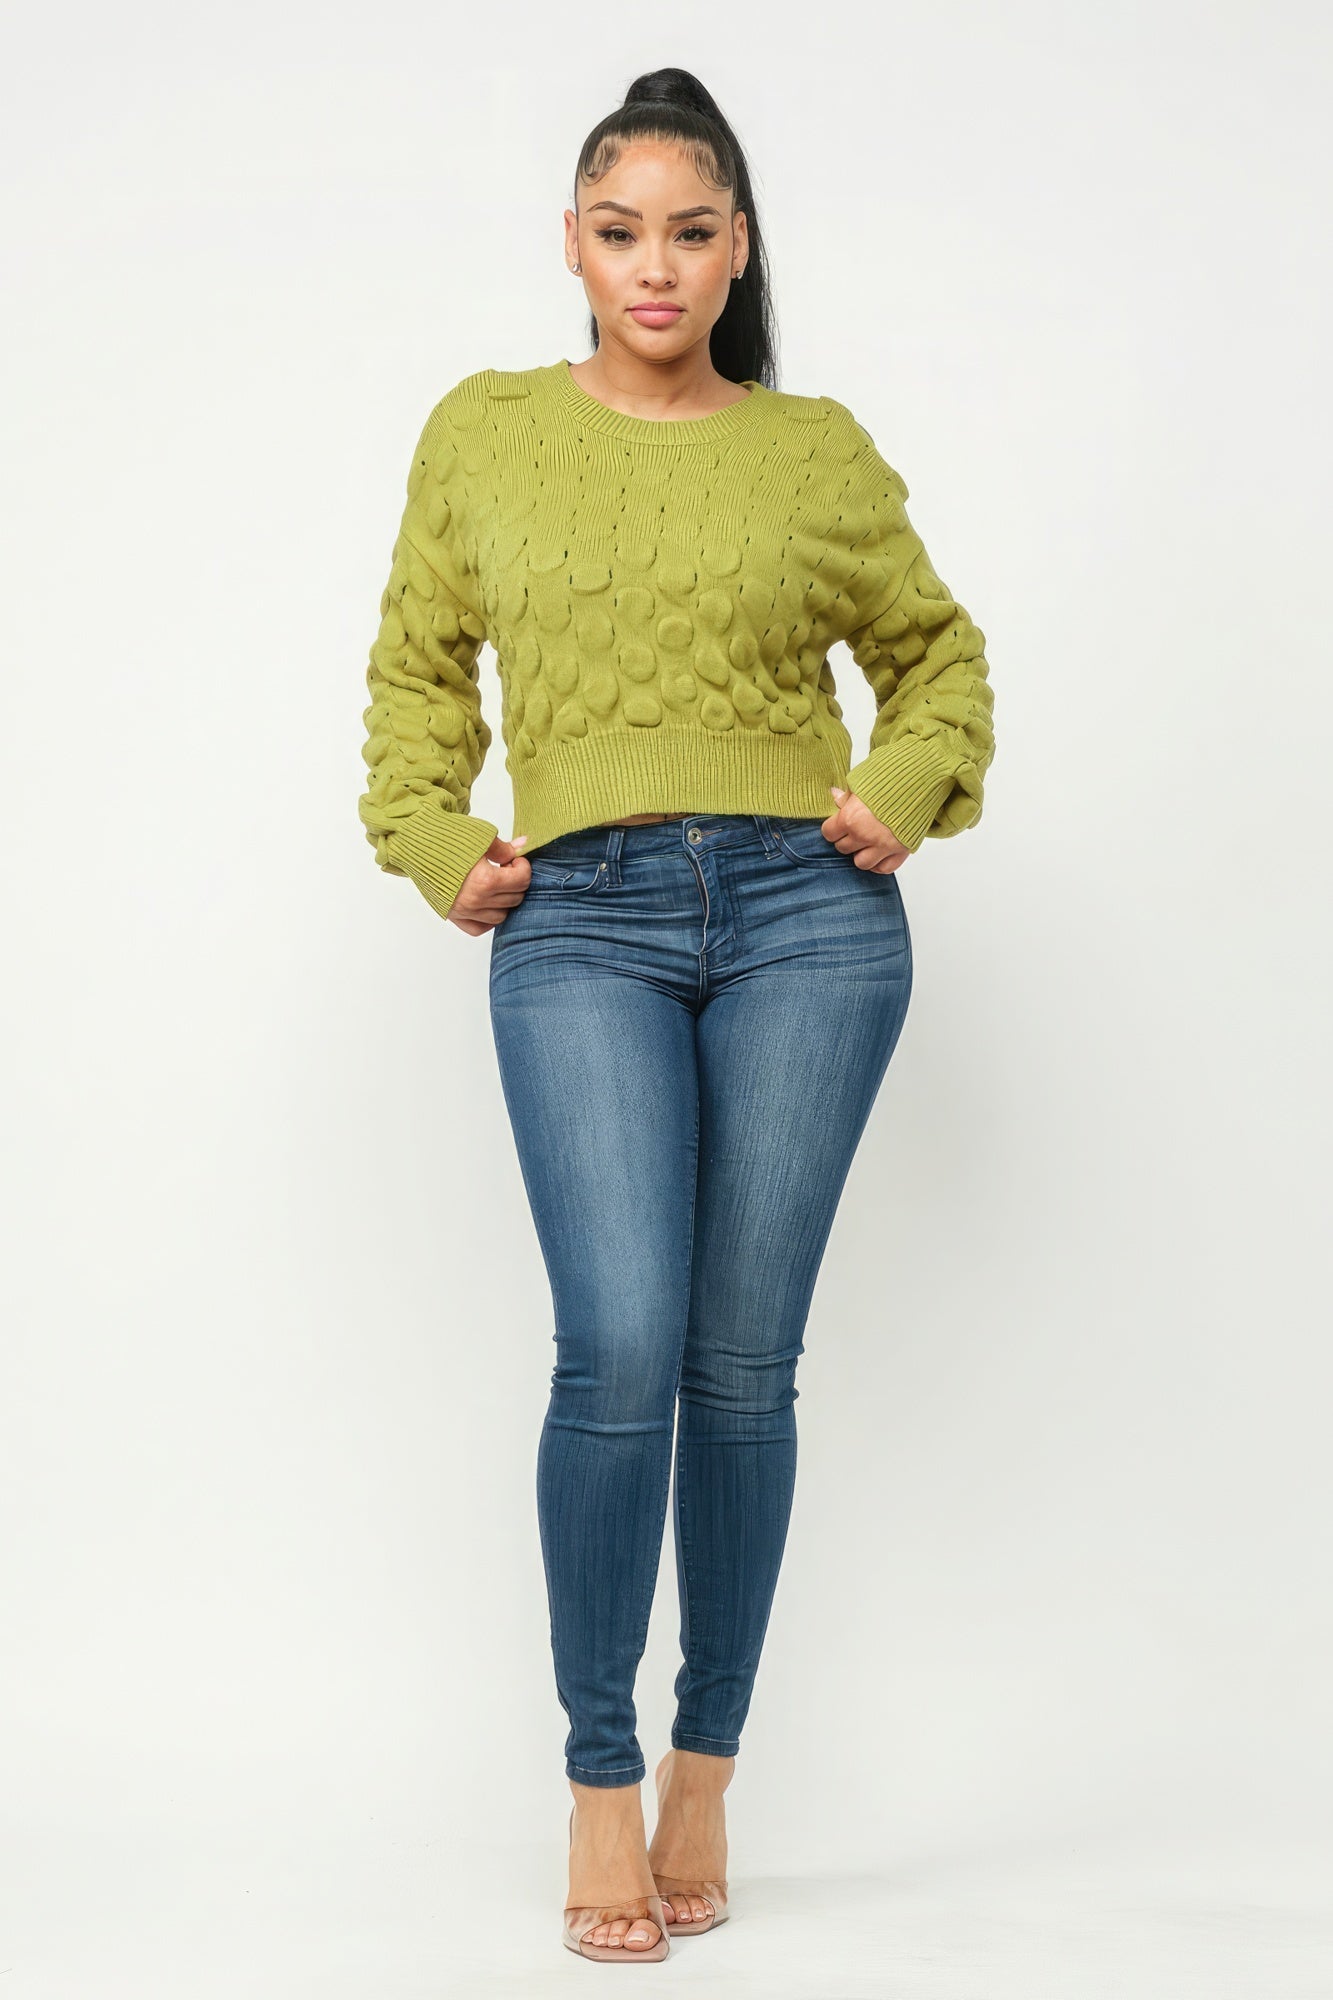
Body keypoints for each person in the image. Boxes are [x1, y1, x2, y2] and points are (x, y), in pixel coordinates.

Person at [356, 65, 995, 1966]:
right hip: (581, 921)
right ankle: (598, 1780)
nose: (655, 265)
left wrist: (909, 785)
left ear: (736, 252)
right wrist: (430, 837)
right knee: (617, 1344)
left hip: (807, 916)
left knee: (738, 1363)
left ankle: (705, 1766)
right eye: (620, 230)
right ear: (571, 245)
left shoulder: (811, 451)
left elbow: (938, 657)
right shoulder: (483, 433)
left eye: (691, 232)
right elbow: (413, 679)